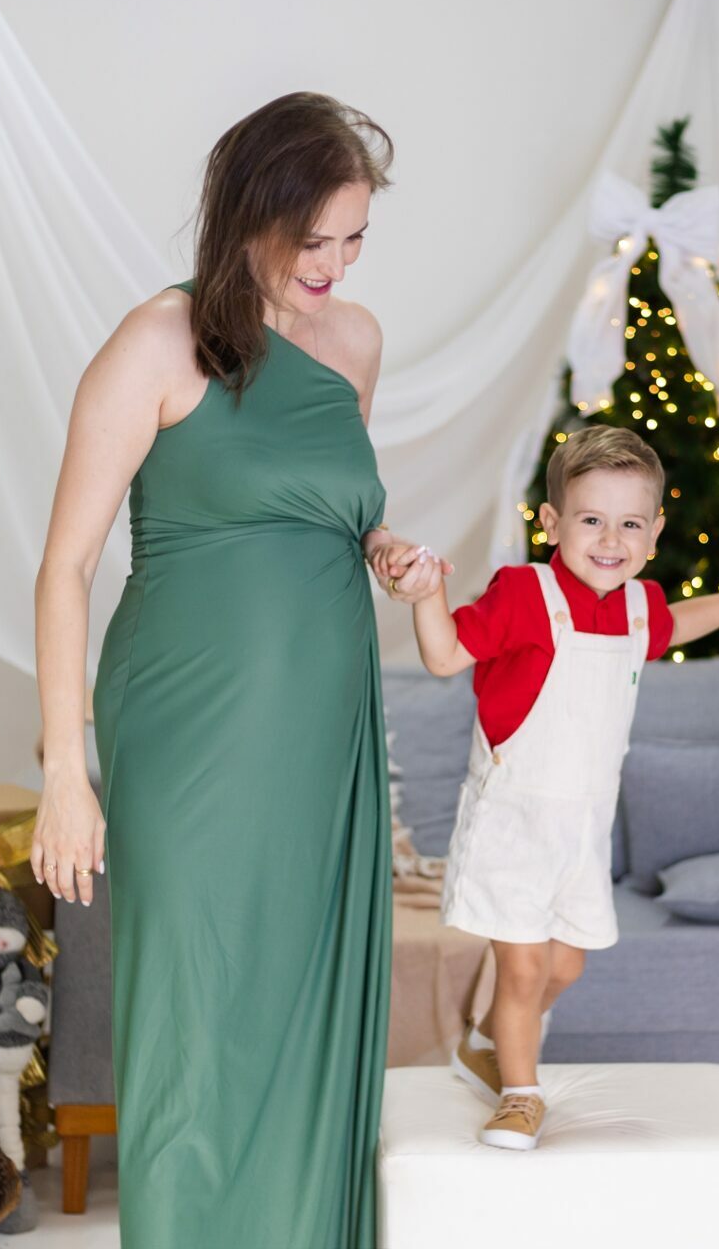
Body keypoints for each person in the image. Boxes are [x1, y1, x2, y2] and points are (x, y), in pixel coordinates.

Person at [31, 92, 436, 1247]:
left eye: (355, 239)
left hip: (323, 720)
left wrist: (383, 546)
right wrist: (66, 771)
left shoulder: (354, 341)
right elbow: (65, 566)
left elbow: (324, 500)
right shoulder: (159, 341)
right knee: (195, 1009)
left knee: (305, 998)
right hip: (187, 723)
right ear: (249, 214)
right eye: (314, 238)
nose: (335, 264)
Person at [382, 425, 719, 1150]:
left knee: (564, 965)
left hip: (582, 831)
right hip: (513, 821)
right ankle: (520, 1095)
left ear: (655, 532)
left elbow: (672, 624)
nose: (609, 539)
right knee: (524, 966)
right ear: (551, 521)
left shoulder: (638, 606)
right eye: (591, 519)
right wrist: (428, 594)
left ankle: (484, 1044)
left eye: (630, 524)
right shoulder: (524, 593)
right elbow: (444, 657)